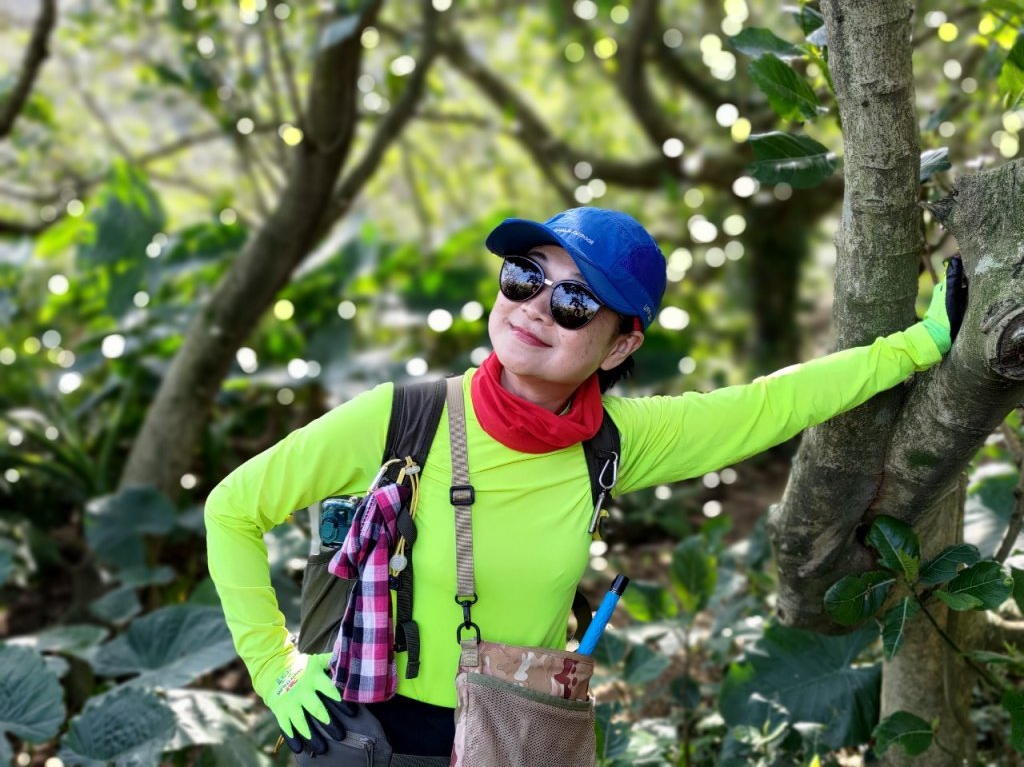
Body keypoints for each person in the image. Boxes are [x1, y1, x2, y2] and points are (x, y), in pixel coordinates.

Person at [205, 207, 960, 762]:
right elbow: (232, 509)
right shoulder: (405, 418)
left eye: (574, 302)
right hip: (370, 735)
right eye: (524, 277)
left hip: (516, 737)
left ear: (621, 341)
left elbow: (770, 404)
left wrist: (919, 346)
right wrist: (275, 669)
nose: (536, 307)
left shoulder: (613, 443)